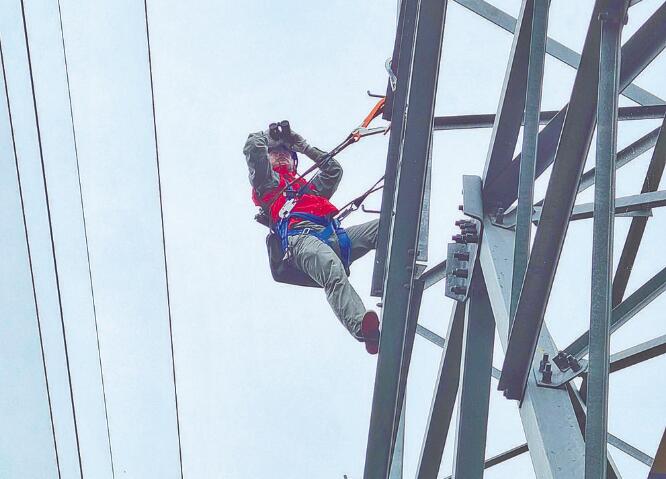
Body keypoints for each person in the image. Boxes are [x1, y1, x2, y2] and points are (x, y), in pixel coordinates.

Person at [243, 126, 381, 354]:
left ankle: (398, 269)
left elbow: (333, 171)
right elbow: (252, 148)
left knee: (382, 227)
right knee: (331, 269)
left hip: (334, 236)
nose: (281, 154)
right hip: (300, 240)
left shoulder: (306, 187)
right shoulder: (267, 184)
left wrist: (303, 146)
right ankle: (364, 329)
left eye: (286, 152)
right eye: (275, 152)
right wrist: (270, 137)